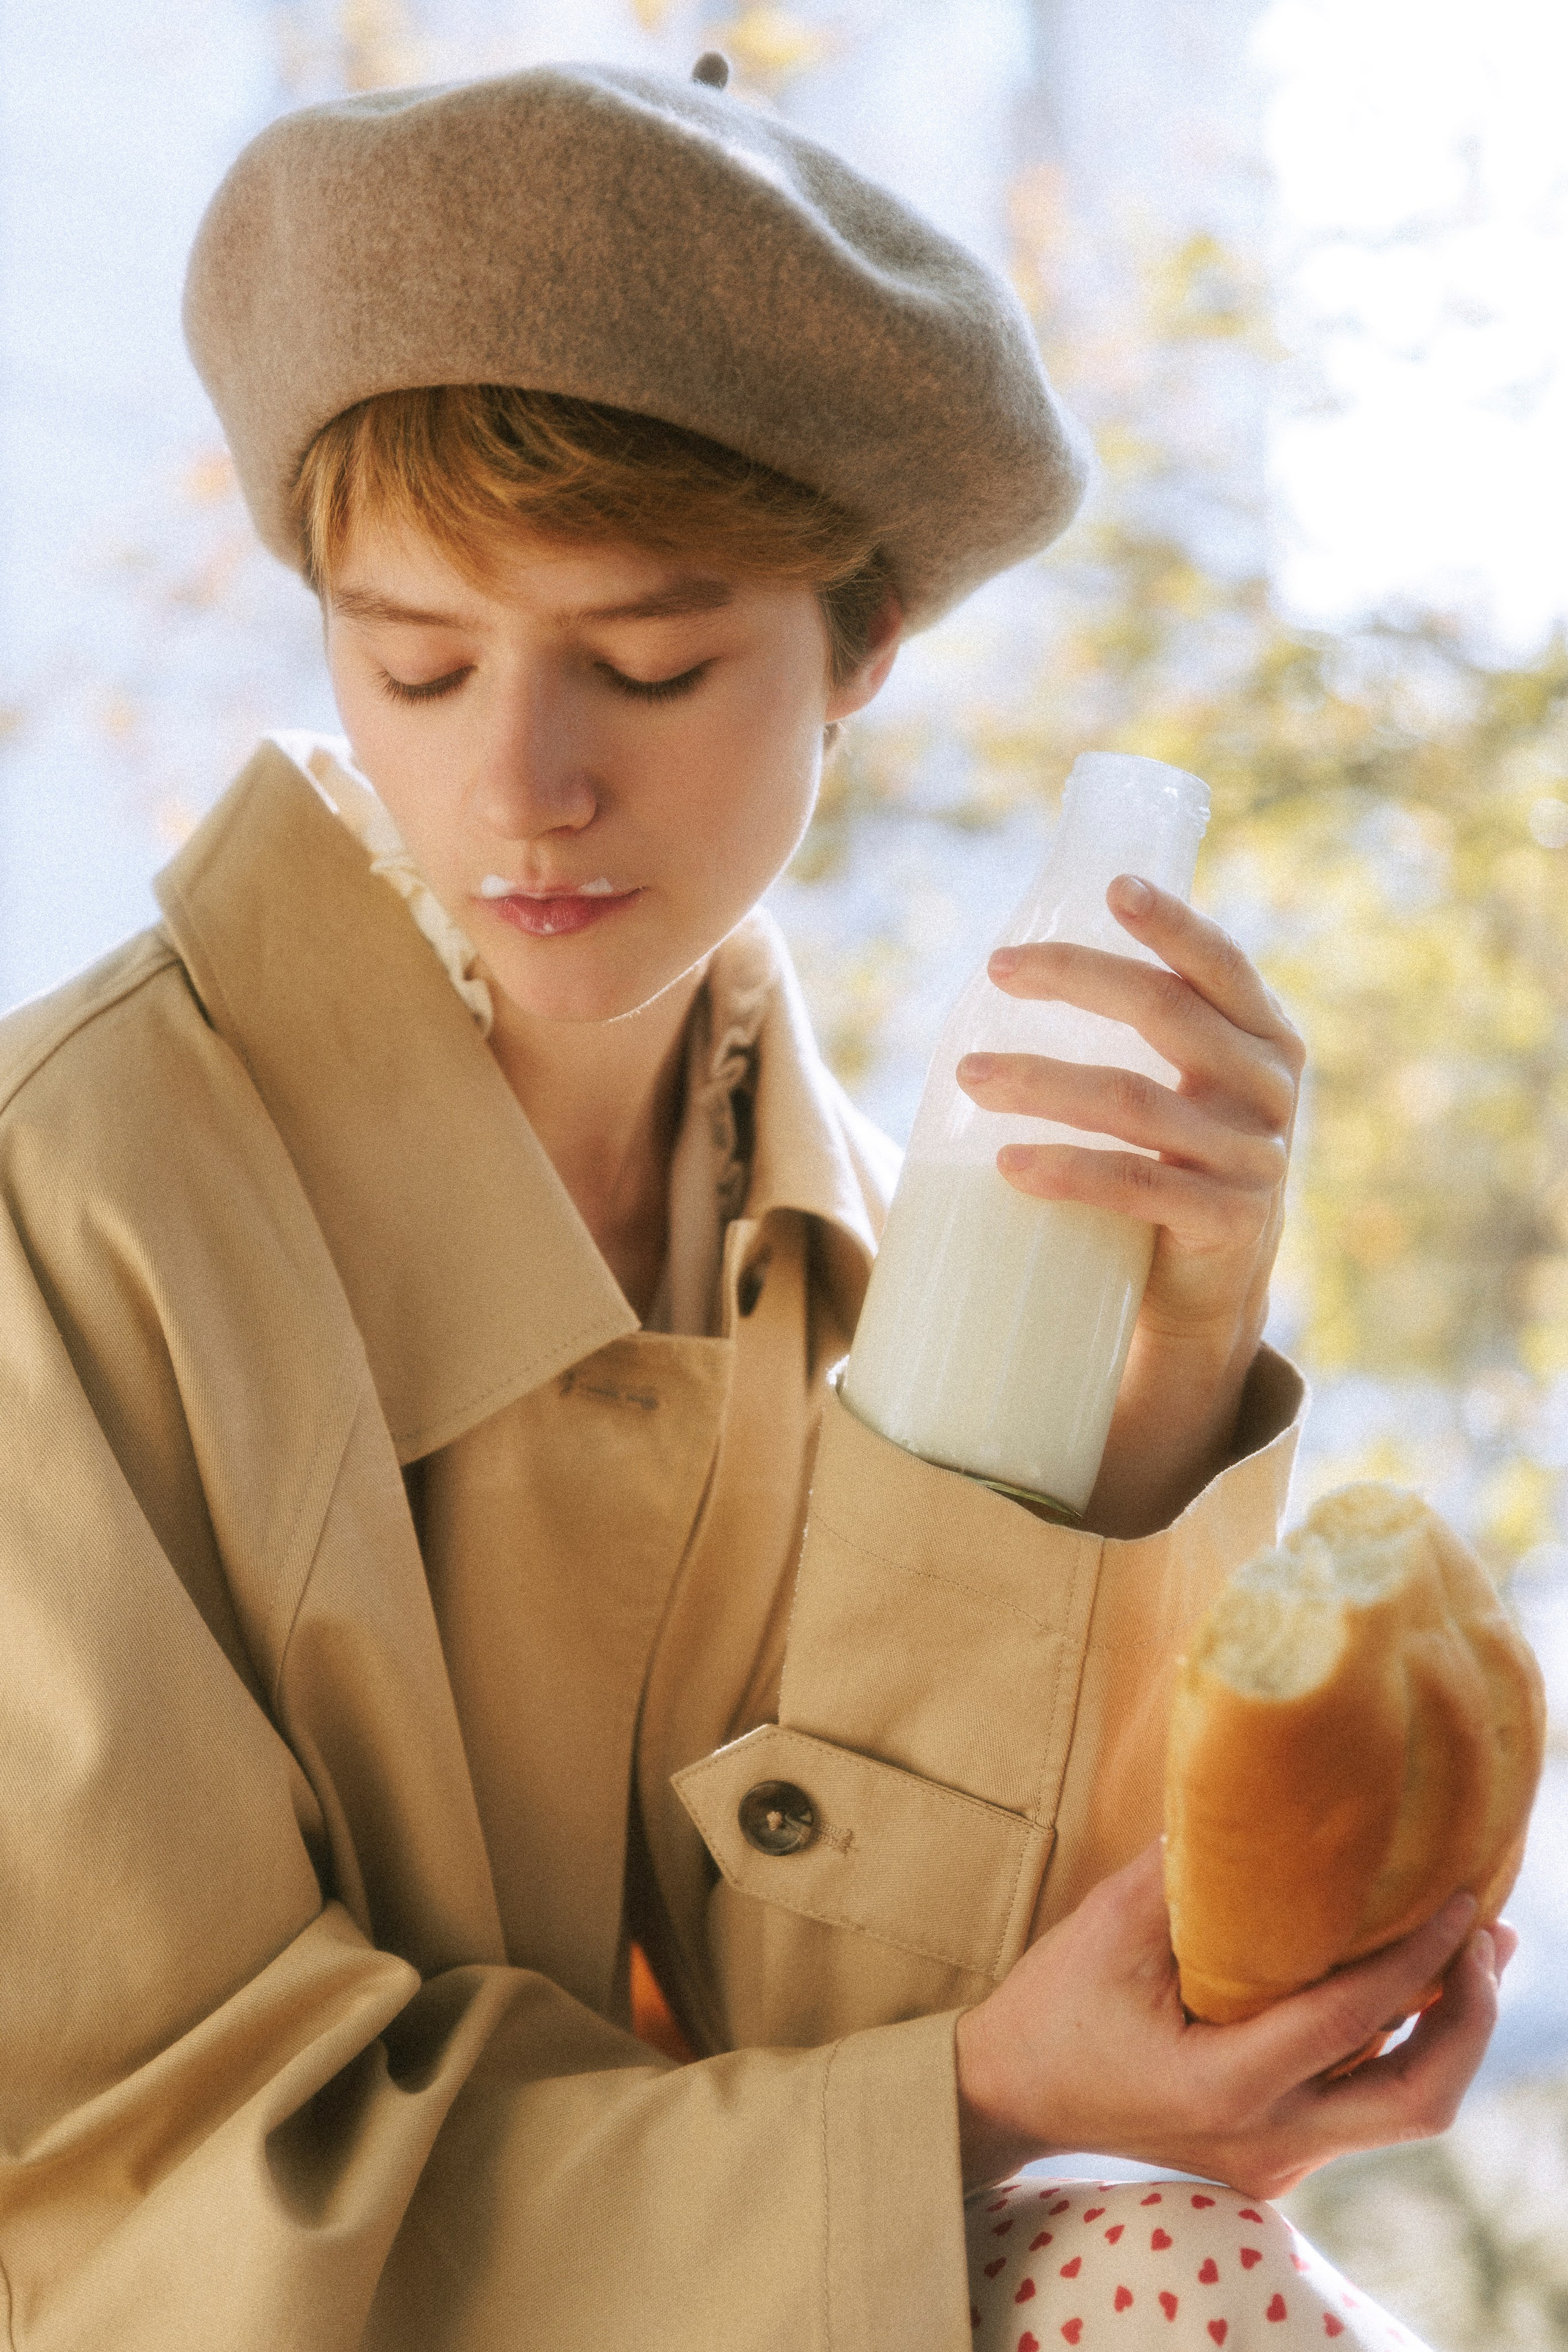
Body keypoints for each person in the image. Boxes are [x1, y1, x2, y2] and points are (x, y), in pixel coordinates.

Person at [0, 55, 1509, 2352]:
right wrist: (989, 2099)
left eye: (649, 661)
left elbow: (891, 2034)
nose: (521, 781)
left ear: (863, 657)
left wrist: (1171, 1353)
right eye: (411, 659)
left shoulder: (878, 1247)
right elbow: (153, 2198)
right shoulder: (62, 1215)